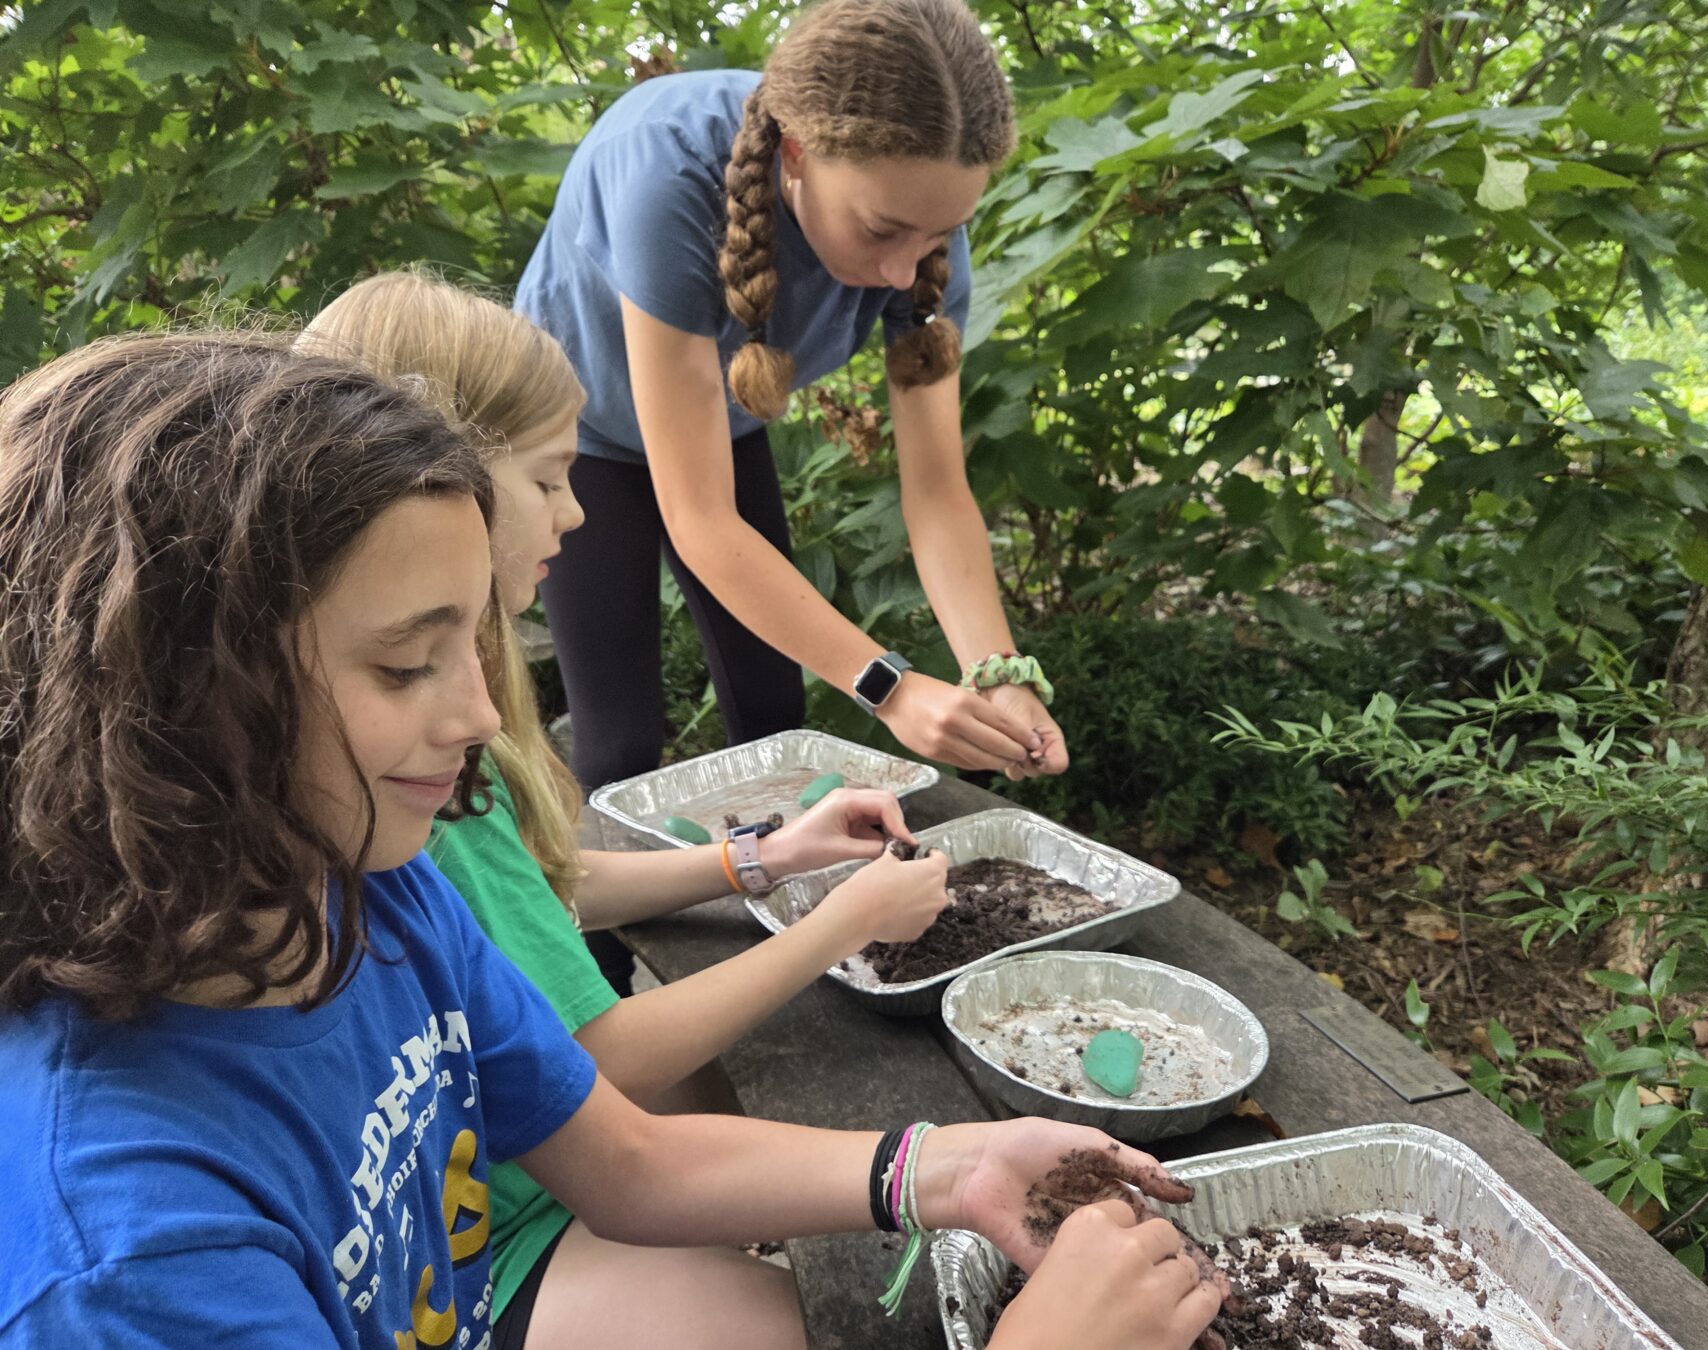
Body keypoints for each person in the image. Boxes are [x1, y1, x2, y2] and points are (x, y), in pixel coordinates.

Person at [0, 332, 1227, 1350]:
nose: (481, 715)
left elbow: (626, 1161)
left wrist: (947, 1171)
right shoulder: (127, 1252)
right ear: (162, 700)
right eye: (404, 664)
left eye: (472, 651)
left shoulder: (370, 893)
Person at [303, 269, 960, 1346]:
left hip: (531, 1180)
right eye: (553, 477)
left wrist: (761, 859)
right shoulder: (410, 777)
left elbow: (543, 886)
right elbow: (600, 1059)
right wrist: (841, 923)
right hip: (493, 1239)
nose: (577, 510)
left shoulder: (429, 741)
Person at [517, 0, 1068, 799]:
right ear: (799, 155)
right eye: (882, 232)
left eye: (937, 236)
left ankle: (778, 907)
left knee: (774, 704)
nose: (905, 274)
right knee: (619, 739)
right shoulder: (668, 177)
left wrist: (998, 673)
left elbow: (939, 492)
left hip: (724, 414)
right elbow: (700, 518)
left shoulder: (921, 220)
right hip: (575, 433)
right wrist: (892, 687)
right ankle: (582, 925)